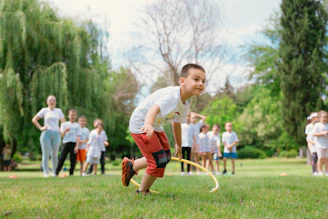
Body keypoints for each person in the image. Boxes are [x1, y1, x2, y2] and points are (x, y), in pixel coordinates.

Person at [122, 63, 206, 194]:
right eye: (196, 79)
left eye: (203, 81)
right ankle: (142, 191)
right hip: (141, 123)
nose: (201, 83)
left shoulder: (185, 105)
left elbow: (176, 123)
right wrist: (148, 124)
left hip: (155, 124)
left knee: (165, 157)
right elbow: (153, 109)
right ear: (182, 81)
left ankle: (131, 167)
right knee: (158, 161)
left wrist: (178, 144)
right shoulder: (172, 96)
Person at [32, 95, 65, 177]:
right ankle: (46, 172)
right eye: (50, 100)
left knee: (54, 154)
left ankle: (54, 172)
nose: (52, 102)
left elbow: (63, 122)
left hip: (56, 134)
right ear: (47, 102)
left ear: (55, 102)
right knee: (45, 153)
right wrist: (41, 128)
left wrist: (60, 130)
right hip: (46, 133)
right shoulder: (44, 110)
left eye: (54, 100)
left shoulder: (58, 111)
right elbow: (34, 119)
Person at [56, 109, 81, 176]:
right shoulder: (64, 124)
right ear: (68, 116)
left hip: (74, 143)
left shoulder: (77, 126)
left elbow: (78, 136)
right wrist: (65, 130)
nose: (73, 116)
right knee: (62, 158)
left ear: (76, 116)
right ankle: (56, 172)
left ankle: (71, 173)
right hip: (66, 142)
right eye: (71, 115)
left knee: (73, 159)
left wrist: (77, 146)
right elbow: (62, 135)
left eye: (74, 115)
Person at [312, 110, 328, 176]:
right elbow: (314, 134)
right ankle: (320, 171)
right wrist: (322, 133)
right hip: (319, 145)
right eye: (323, 117)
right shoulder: (317, 125)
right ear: (319, 118)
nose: (324, 119)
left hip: (327, 144)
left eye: (326, 117)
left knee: (326, 158)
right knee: (320, 158)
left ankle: (326, 171)